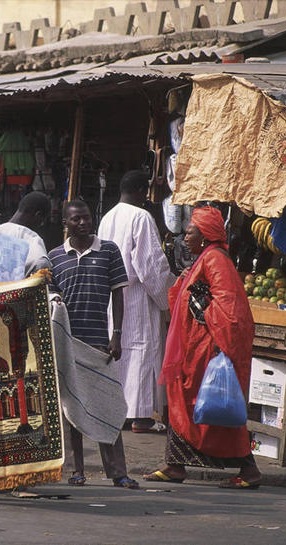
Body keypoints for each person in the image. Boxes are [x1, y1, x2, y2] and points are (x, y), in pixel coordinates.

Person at [143, 206, 262, 489]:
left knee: (208, 407)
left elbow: (231, 312)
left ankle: (249, 469)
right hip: (194, 346)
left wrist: (199, 303)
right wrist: (187, 282)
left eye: (190, 232)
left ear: (205, 235)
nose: (185, 237)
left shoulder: (216, 260)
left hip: (207, 349)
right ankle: (175, 464)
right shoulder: (205, 259)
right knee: (183, 403)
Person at [48, 199, 140, 489]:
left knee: (106, 406)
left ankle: (118, 473)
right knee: (72, 410)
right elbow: (51, 300)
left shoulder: (109, 250)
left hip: (99, 344)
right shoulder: (54, 257)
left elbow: (118, 295)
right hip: (66, 345)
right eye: (76, 219)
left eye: (87, 217)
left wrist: (117, 334)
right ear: (66, 223)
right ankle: (77, 471)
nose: (83, 223)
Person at [97, 170, 175, 433]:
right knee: (142, 351)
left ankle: (120, 411)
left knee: (121, 354)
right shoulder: (141, 217)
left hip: (115, 297)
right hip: (138, 296)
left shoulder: (107, 218)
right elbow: (150, 264)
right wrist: (169, 296)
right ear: (142, 191)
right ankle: (142, 417)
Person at [0, 191, 51, 276]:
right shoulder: (34, 241)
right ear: (38, 215)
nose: (41, 224)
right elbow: (42, 265)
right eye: (43, 220)